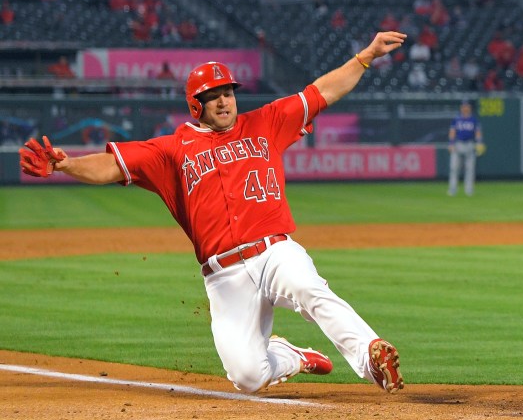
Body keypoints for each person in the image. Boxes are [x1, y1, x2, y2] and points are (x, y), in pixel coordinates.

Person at [19, 31, 408, 395]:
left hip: (274, 250)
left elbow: (322, 91)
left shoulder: (266, 123)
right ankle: (292, 356)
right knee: (247, 377)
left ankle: (370, 356)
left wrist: (366, 56)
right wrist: (65, 165)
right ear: (195, 104)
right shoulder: (172, 150)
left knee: (308, 287)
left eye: (228, 92)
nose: (224, 101)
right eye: (214, 95)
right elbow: (110, 166)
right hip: (224, 276)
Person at [447, 100, 483, 197]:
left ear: (470, 108)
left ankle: (469, 189)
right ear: (461, 108)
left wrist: (479, 142)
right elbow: (452, 131)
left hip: (470, 144)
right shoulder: (456, 119)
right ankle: (453, 189)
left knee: (470, 169)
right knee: (454, 168)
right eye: (464, 106)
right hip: (458, 144)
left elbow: (478, 132)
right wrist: (451, 143)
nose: (465, 108)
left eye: (467, 106)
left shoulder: (474, 120)